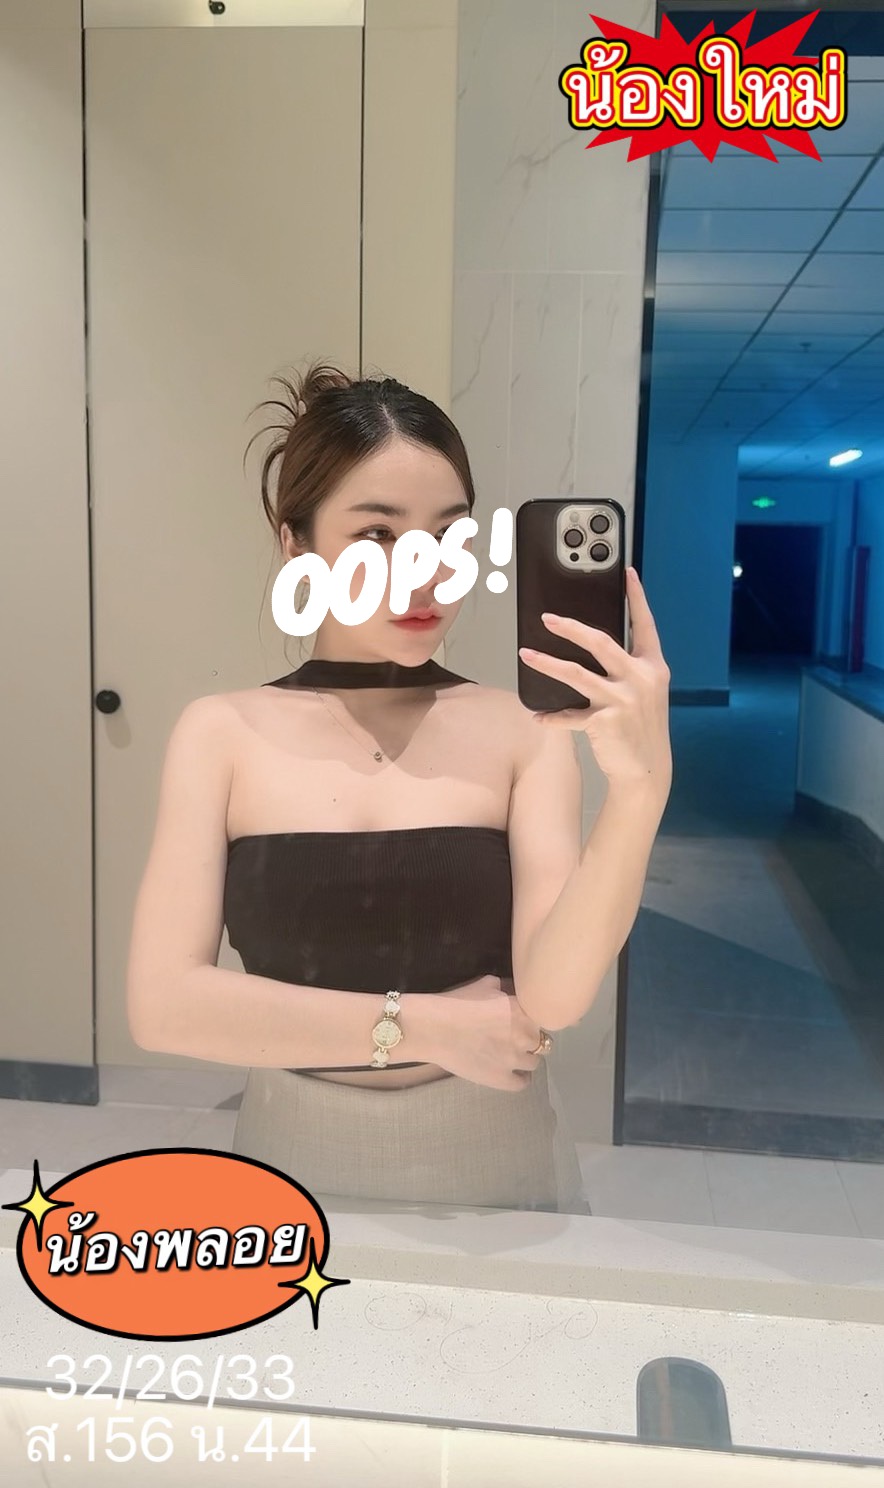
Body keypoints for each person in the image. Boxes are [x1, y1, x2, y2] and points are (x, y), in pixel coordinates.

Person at [127, 359, 672, 1214]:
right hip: (287, 1159)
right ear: (295, 543)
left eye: (450, 536)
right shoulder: (221, 733)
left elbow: (555, 996)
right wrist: (420, 1026)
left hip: (496, 1161)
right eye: (378, 534)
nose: (425, 574)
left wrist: (641, 792)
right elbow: (163, 1005)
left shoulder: (518, 729)